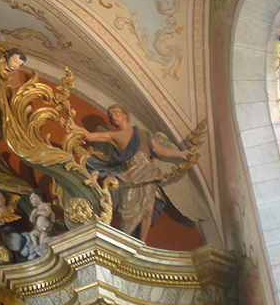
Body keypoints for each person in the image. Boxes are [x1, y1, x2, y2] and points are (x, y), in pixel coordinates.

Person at [74, 104, 192, 242]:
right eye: (111, 115)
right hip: (131, 173)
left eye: (116, 113)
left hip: (148, 172)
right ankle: (124, 238)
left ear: (125, 115)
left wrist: (180, 153)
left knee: (149, 210)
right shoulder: (115, 136)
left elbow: (159, 150)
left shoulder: (143, 134)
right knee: (126, 212)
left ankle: (141, 243)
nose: (114, 117)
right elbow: (90, 137)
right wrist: (74, 127)